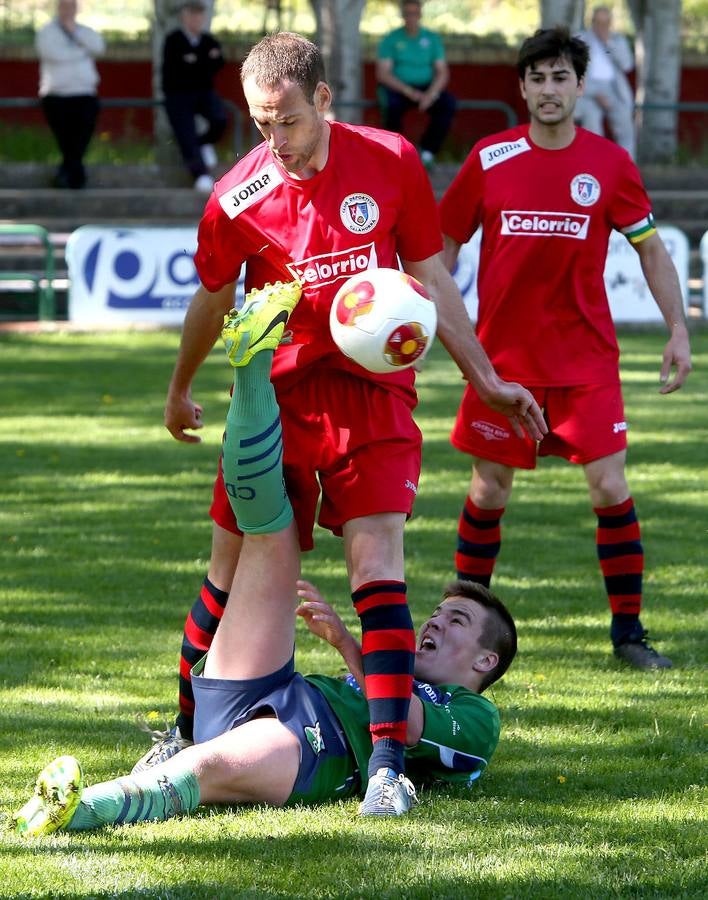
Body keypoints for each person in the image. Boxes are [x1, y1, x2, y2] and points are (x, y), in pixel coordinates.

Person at [137, 32, 545, 813]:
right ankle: (184, 730)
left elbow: (430, 277)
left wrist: (485, 378)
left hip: (374, 396)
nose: (275, 140)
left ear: (322, 99)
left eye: (287, 120)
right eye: (260, 124)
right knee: (227, 574)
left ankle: (388, 768)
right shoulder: (236, 197)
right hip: (280, 405)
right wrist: (179, 387)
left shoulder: (389, 159)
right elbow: (213, 299)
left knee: (377, 571)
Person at [12, 291, 518, 833]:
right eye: (442, 612)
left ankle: (82, 808)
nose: (436, 620)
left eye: (457, 620)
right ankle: (254, 372)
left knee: (204, 767)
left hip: (321, 746)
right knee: (269, 537)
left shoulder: (476, 718)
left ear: (486, 663)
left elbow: (409, 723)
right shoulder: (416, 669)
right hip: (286, 689)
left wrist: (349, 644)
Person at [439, 26, 692, 671]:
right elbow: (441, 247)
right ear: (521, 88)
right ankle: (466, 632)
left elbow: (653, 250)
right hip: (502, 366)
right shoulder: (489, 158)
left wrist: (679, 329)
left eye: (560, 78)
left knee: (609, 486)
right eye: (537, 78)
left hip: (584, 364)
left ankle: (629, 636)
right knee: (489, 490)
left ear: (580, 86)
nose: (548, 90)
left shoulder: (609, 164)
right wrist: (437, 321)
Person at [376, 0, 456, 170]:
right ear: (402, 15)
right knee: (392, 107)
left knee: (447, 104)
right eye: (407, 14)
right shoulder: (391, 39)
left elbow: (442, 72)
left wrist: (431, 94)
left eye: (414, 13)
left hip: (427, 88)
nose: (411, 18)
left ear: (420, 15)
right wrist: (408, 91)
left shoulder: (432, 39)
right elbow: (383, 73)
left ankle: (428, 152)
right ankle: (396, 154)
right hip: (399, 88)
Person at [35, 0, 105, 189]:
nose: (68, 10)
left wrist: (76, 34)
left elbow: (98, 47)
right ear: (58, 8)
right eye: (64, 6)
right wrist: (81, 52)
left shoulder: (85, 31)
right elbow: (53, 54)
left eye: (71, 6)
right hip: (56, 93)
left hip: (85, 92)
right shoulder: (47, 32)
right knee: (66, 138)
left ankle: (68, 173)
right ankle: (75, 175)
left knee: (81, 136)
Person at [162, 0, 228, 193]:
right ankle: (200, 175)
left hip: (204, 93)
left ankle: (204, 144)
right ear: (184, 16)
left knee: (220, 119)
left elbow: (219, 63)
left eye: (200, 14)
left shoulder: (208, 40)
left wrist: (194, 61)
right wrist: (204, 61)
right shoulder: (173, 40)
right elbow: (177, 69)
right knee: (186, 135)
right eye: (192, 14)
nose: (196, 19)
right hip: (178, 96)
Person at [575, 5, 636, 158]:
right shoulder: (580, 39)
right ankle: (595, 167)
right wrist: (593, 93)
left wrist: (608, 44)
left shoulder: (618, 40)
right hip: (588, 90)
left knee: (626, 127)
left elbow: (627, 65)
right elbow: (573, 72)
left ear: (611, 23)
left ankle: (626, 168)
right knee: (593, 126)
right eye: (598, 22)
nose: (602, 26)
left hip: (614, 89)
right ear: (592, 22)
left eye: (606, 23)